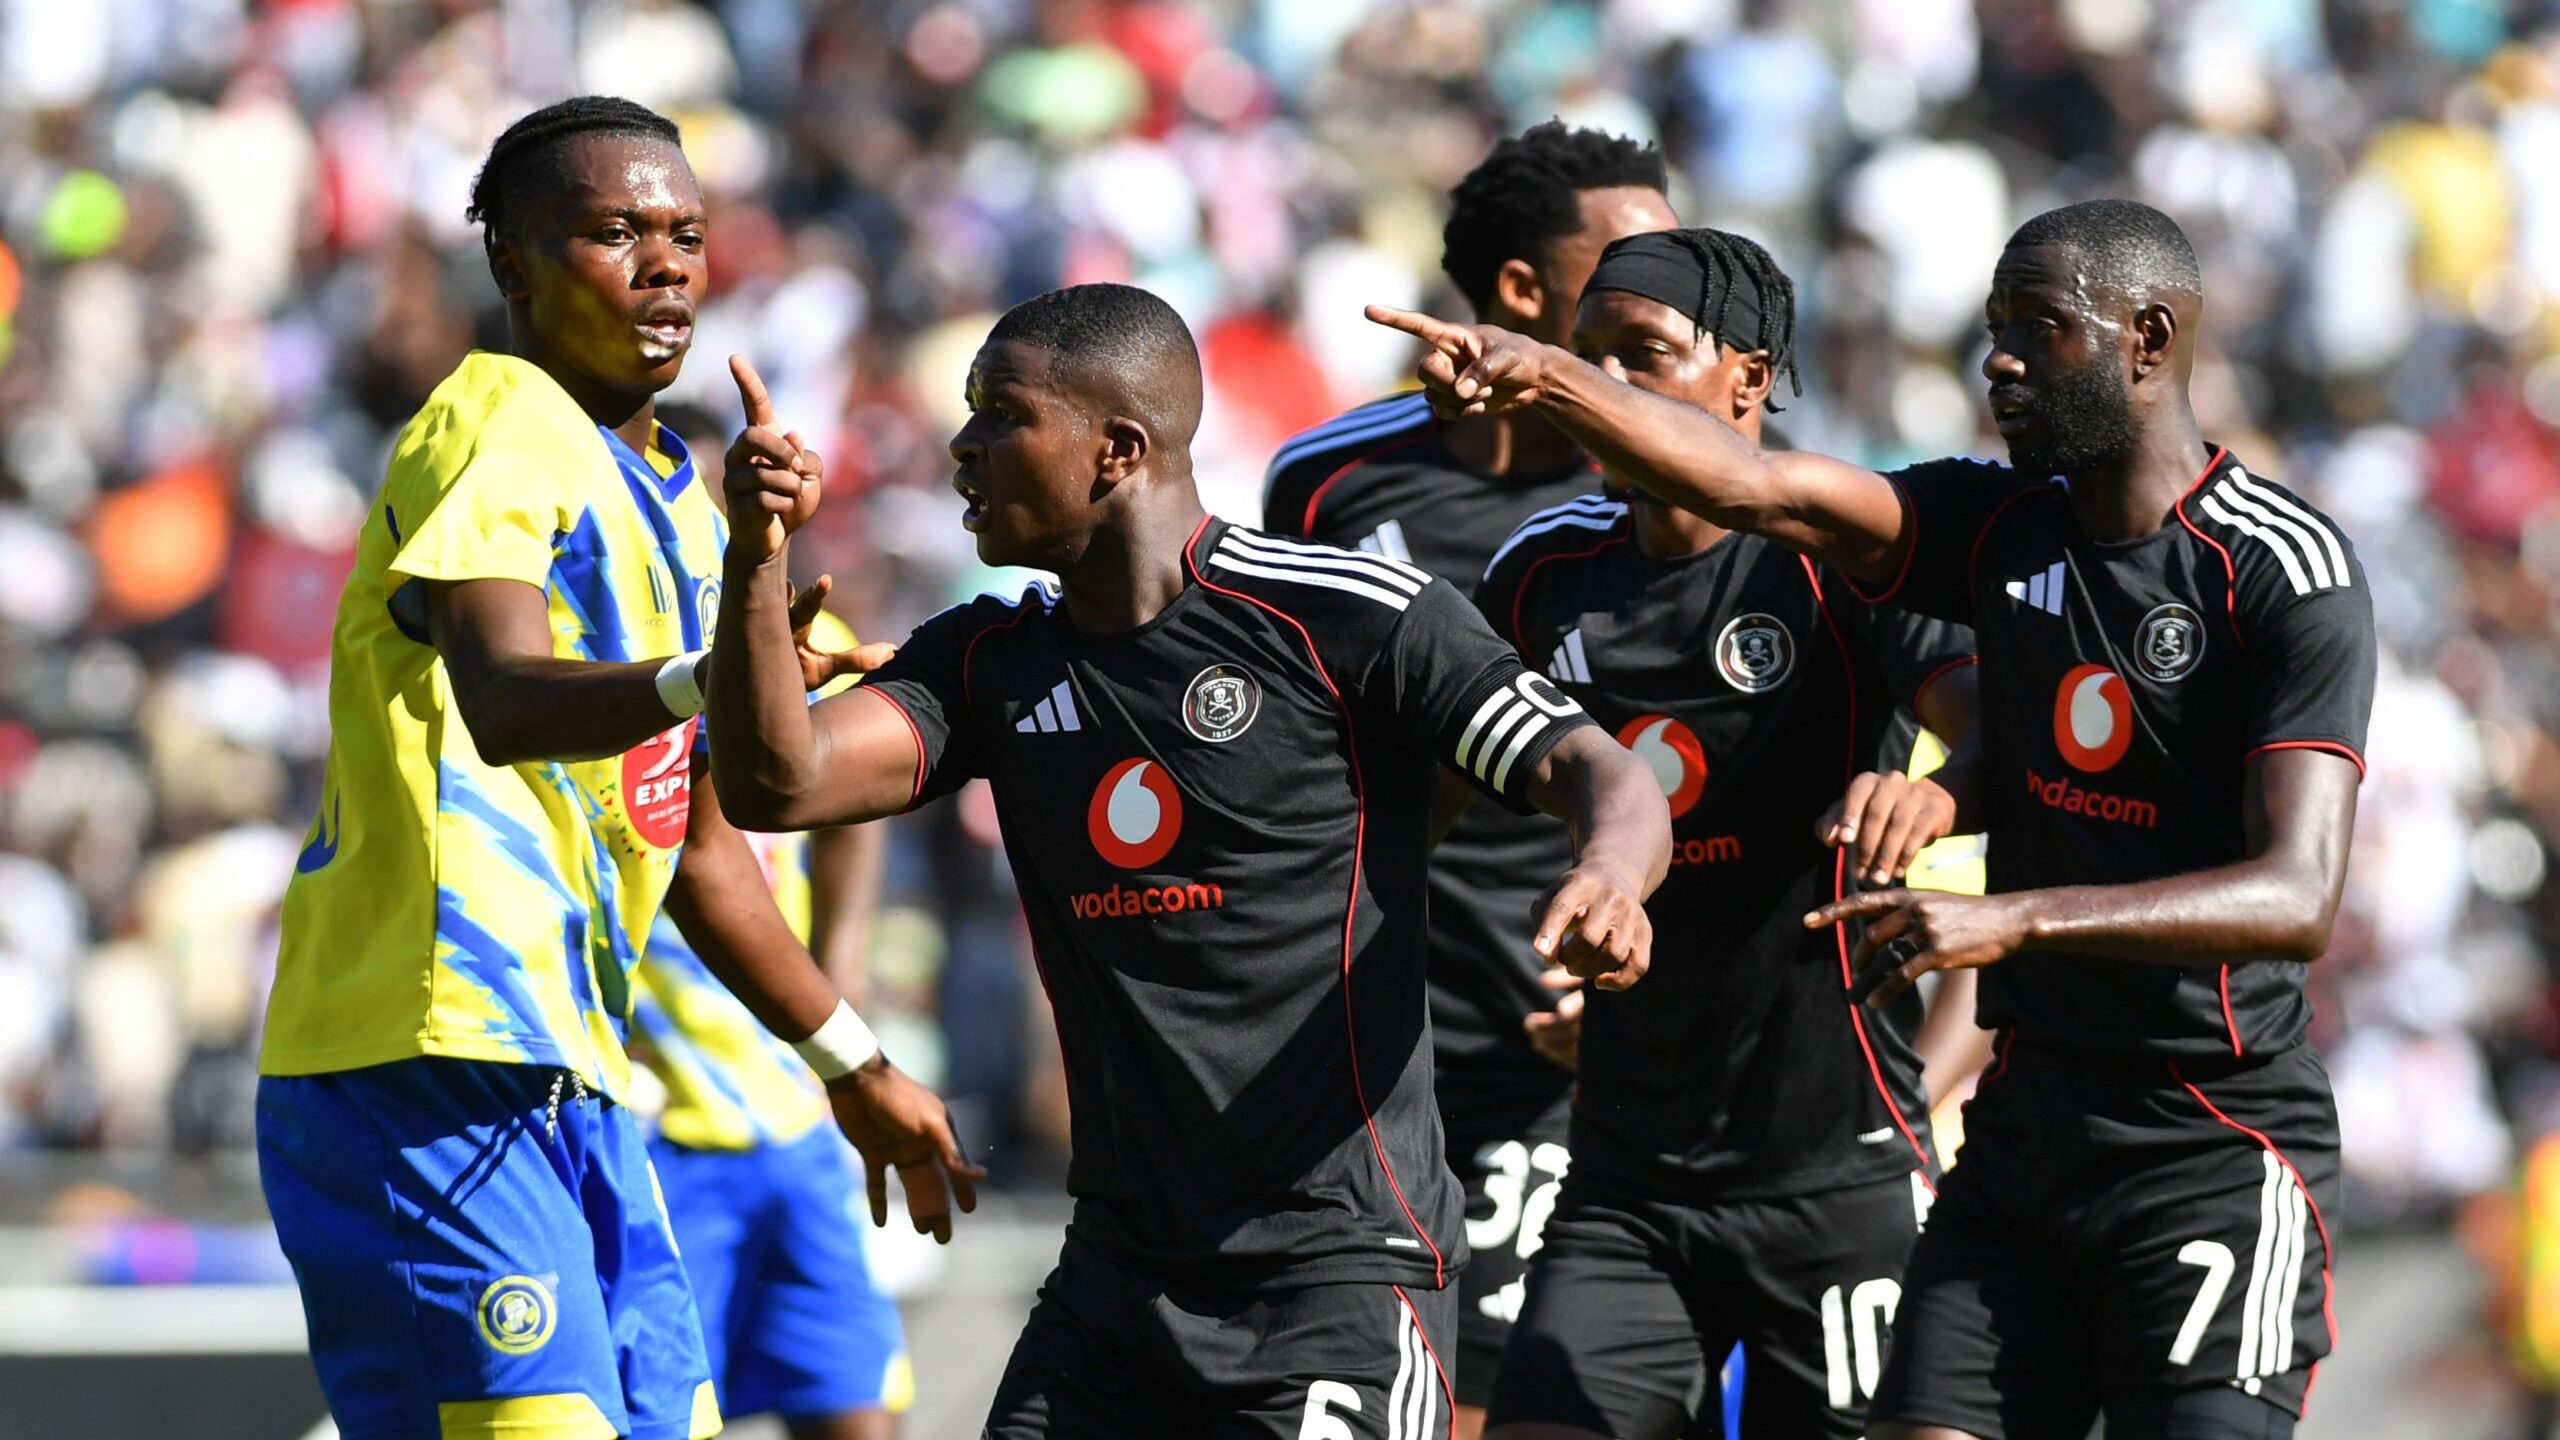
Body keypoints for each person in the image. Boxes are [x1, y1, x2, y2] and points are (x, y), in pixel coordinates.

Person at [1372, 197, 2374, 1440]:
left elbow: (2297, 897)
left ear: (2150, 339)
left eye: (2037, 328)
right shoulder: (1993, 529)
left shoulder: (2280, 567)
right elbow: (1756, 485)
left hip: (2203, 1140)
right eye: (1993, 327)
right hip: (2012, 1141)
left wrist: (2006, 914)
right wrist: (1547, 379)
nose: (1998, 360)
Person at [706, 281, 1674, 1436]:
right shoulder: (987, 660)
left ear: (1117, 451)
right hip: (1118, 1285)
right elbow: (780, 783)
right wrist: (754, 559)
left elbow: (1599, 769)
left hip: (1334, 1277)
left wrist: (1610, 875)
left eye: (1001, 414)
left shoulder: (1342, 617)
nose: (962, 444)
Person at [257, 96, 972, 1440]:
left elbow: (698, 842)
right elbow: (500, 696)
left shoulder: (680, 507)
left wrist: (850, 1061)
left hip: (574, 1076)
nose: (664, 266)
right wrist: (714, 677)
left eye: (685, 235)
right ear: (515, 264)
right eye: (613, 232)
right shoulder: (498, 419)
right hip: (425, 1054)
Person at [1467, 227, 1984, 1440]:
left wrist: (1942, 791)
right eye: (1584, 355)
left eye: (1640, 354)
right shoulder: (1539, 576)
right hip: (1627, 1181)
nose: (1601, 385)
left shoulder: (1839, 558)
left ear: (1747, 378)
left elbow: (1994, 727)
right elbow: (1434, 796)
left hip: (1838, 1176)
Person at [1261, 120, 1676, 1433]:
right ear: (1518, 289)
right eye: (1632, 266)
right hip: (1404, 1026)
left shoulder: (1687, 482)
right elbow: (1305, 755)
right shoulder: (1327, 482)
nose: (1671, 296)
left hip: (1611, 1015)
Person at [629, 594, 913, 1440]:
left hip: (795, 1100)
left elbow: (857, 805)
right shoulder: (613, 629)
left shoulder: (812, 642)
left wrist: (842, 968)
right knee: (658, 1417)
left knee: (856, 1407)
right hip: (657, 1127)